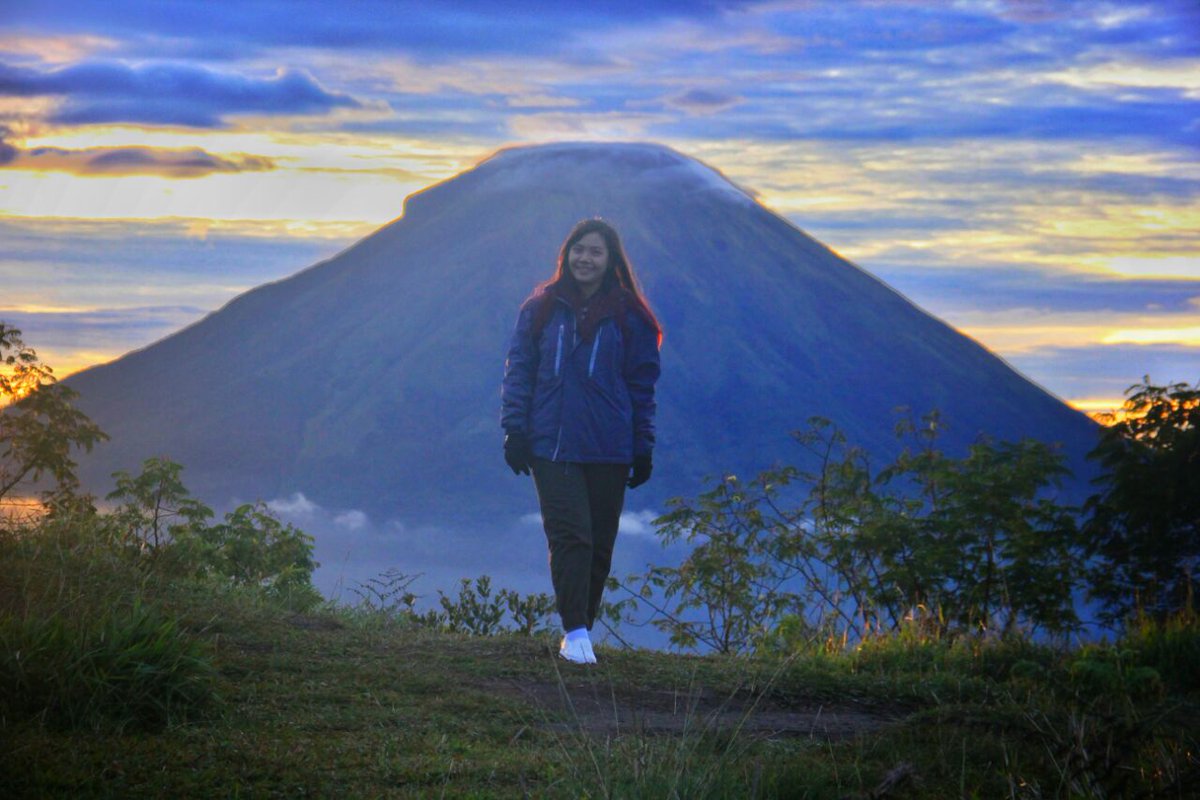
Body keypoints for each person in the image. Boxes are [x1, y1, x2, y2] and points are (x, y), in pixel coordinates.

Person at [501, 218, 662, 664]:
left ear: (611, 260)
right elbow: (520, 371)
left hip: (609, 448)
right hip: (551, 445)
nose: (584, 259)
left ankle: (580, 634)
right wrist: (515, 430)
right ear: (565, 254)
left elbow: (642, 386)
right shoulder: (541, 309)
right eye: (578, 249)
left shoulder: (632, 318)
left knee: (599, 545)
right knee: (571, 536)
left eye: (595, 251)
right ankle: (574, 634)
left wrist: (641, 445)